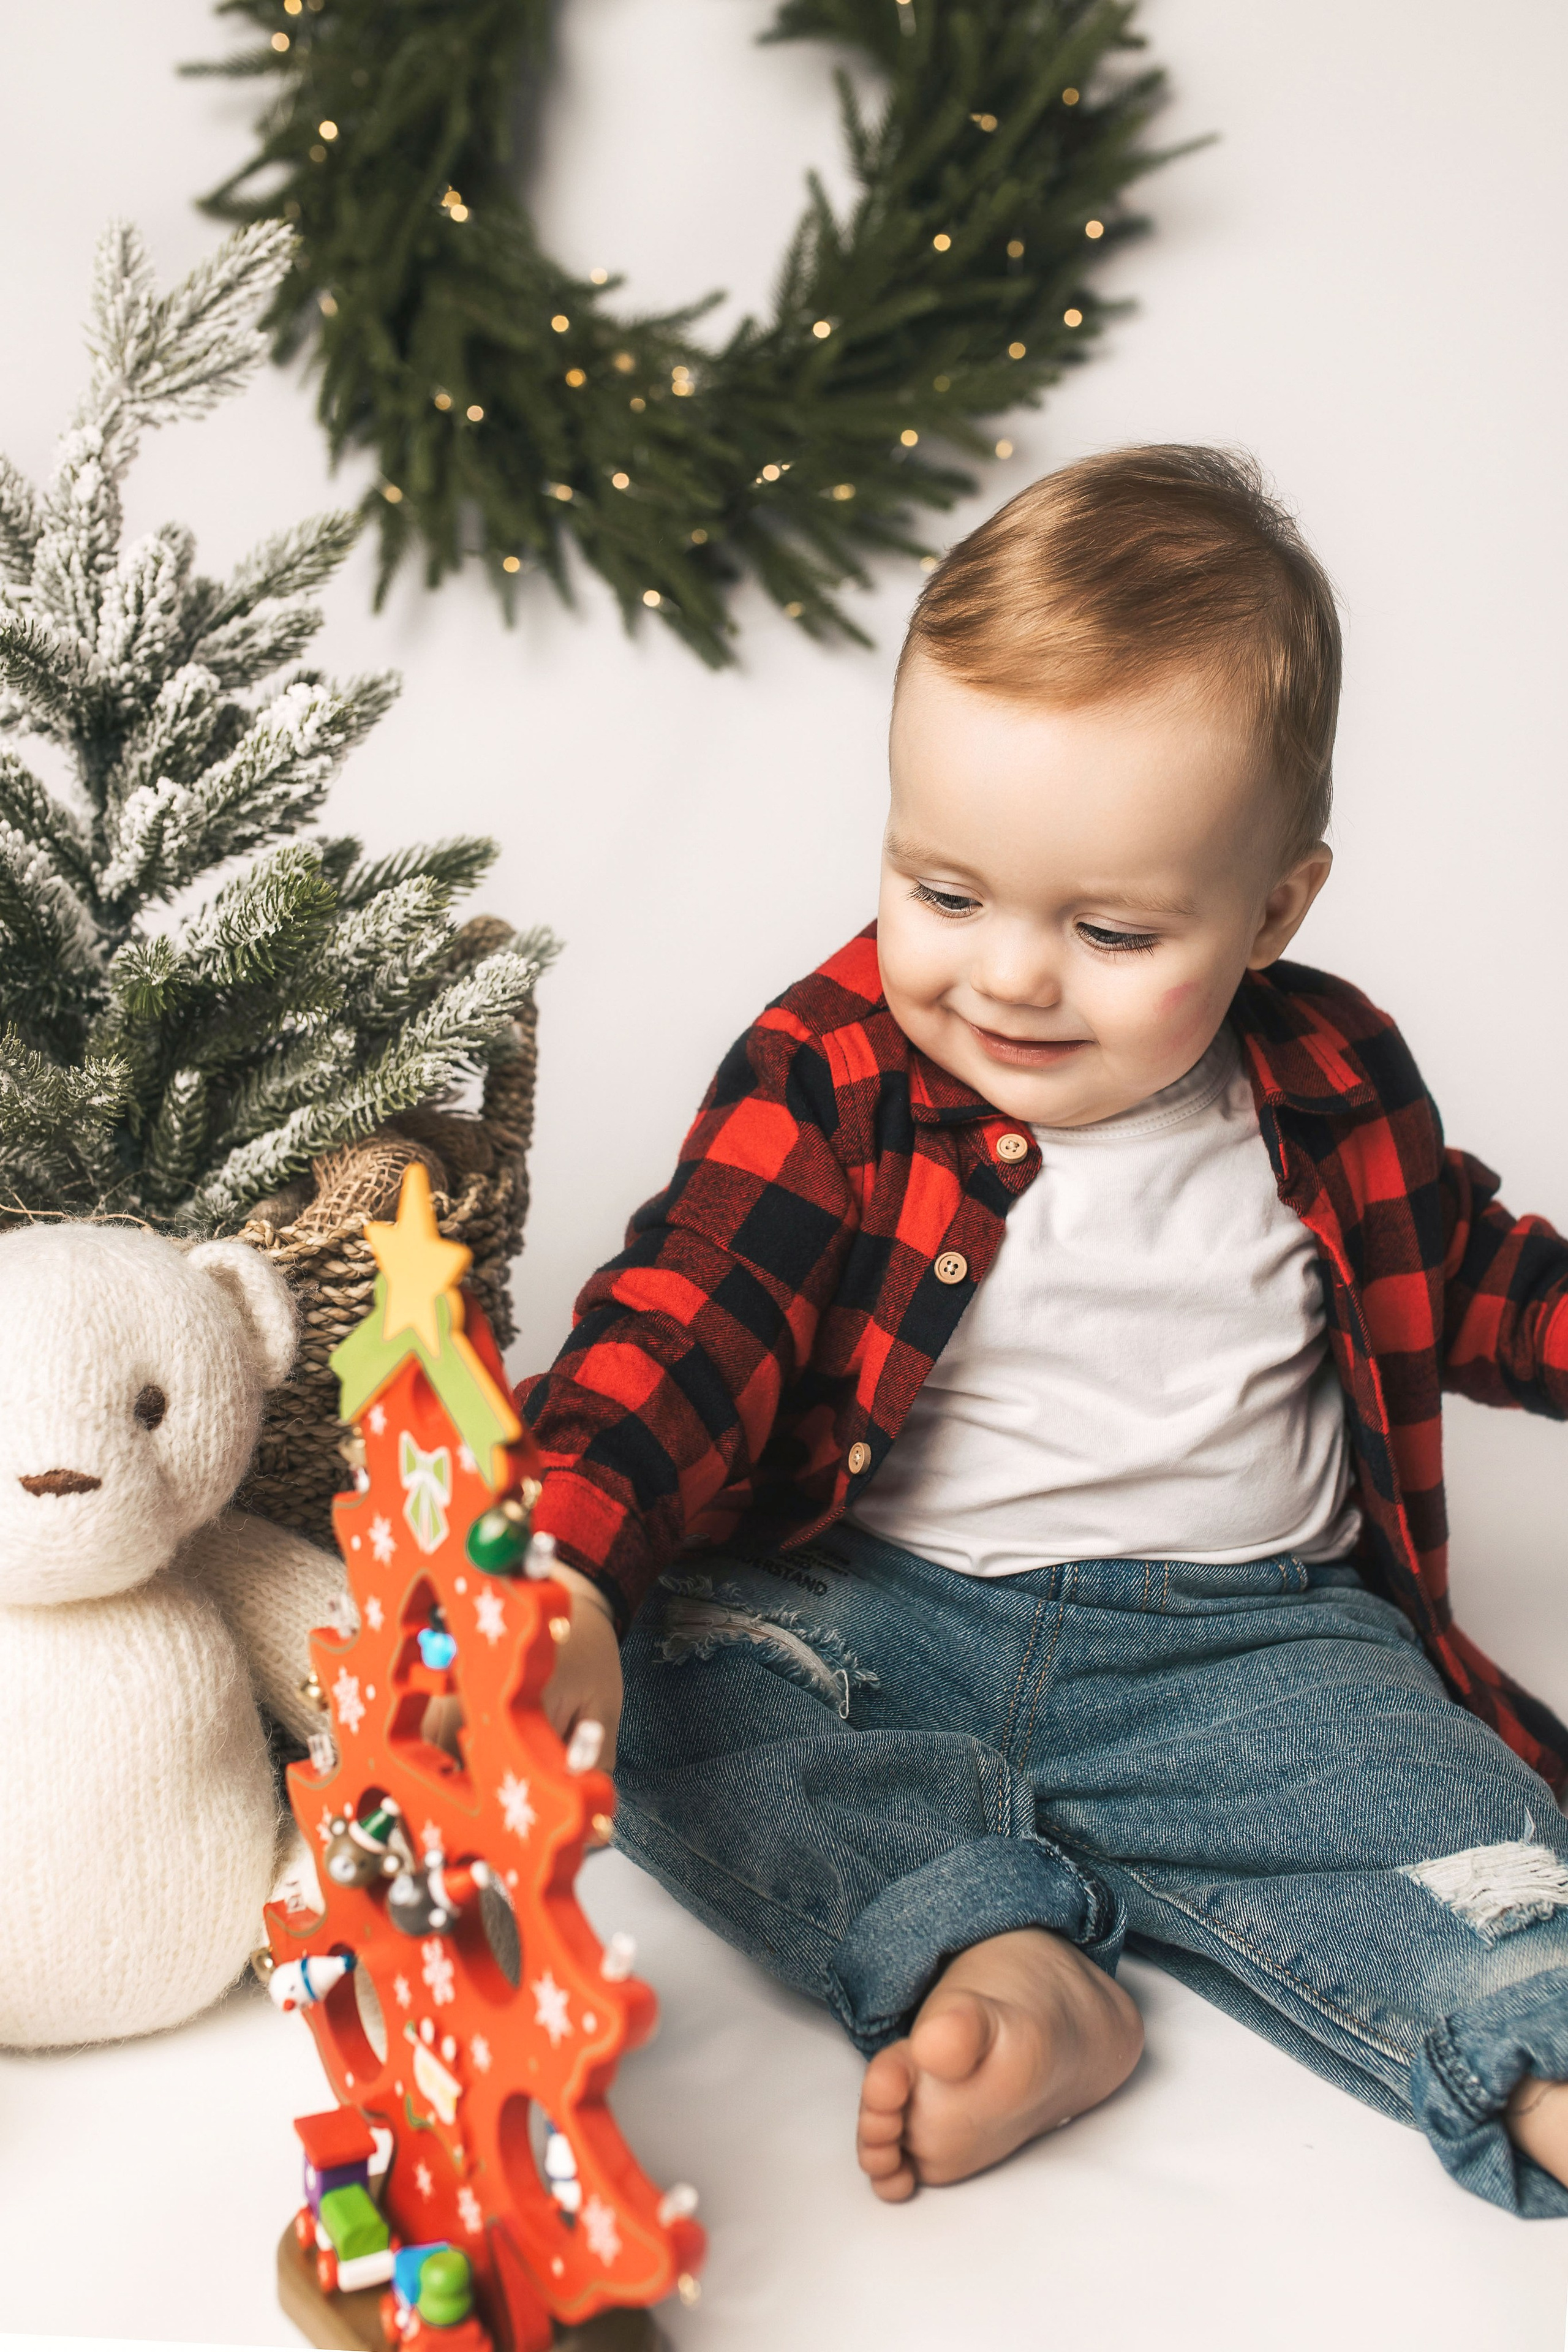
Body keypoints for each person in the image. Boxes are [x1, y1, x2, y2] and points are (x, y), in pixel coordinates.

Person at [521, 447, 1568, 2217]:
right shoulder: (835, 1069)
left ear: (1273, 912)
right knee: (671, 1706)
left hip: (1252, 1656)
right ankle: (989, 1956)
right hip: (867, 1608)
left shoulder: (1323, 1085)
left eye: (1107, 929)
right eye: (943, 891)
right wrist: (561, 1573)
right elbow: (676, 1331)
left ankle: (1530, 2036)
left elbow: (1473, 1274)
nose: (1006, 976)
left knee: (1465, 1834)